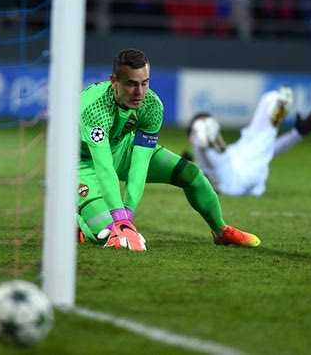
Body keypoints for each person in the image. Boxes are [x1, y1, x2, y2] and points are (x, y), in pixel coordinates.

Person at [76, 48, 260, 251]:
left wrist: (127, 214)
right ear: (114, 81)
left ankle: (221, 231)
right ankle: (78, 220)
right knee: (107, 235)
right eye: (131, 84)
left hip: (121, 148)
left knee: (190, 174)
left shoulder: (152, 106)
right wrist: (119, 220)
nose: (139, 92)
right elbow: (104, 167)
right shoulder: (95, 109)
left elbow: (140, 165)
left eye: (144, 83)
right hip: (82, 162)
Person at [185, 86, 311, 197]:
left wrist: (297, 134)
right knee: (211, 160)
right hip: (232, 180)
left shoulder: (234, 148)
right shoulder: (201, 161)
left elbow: (270, 149)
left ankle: (276, 103)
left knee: (270, 98)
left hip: (240, 165)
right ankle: (202, 133)